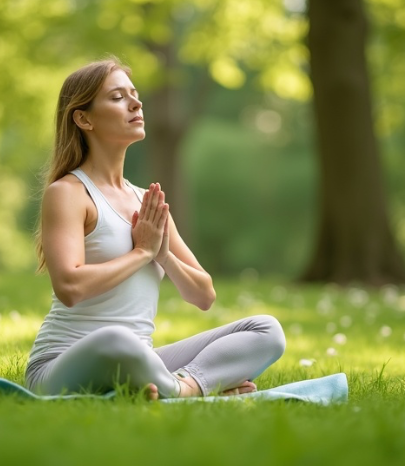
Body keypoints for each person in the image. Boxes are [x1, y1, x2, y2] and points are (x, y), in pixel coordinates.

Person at [25, 57, 285, 399]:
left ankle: (182, 386)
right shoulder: (69, 193)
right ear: (83, 118)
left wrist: (163, 256)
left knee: (267, 330)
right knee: (115, 339)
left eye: (134, 94)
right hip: (62, 364)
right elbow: (69, 287)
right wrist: (141, 253)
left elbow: (204, 295)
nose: (136, 102)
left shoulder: (146, 201)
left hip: (138, 359)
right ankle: (190, 390)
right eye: (117, 97)